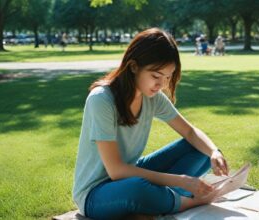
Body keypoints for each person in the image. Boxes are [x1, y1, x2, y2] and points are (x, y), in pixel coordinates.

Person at [72, 28, 230, 219]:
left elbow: (189, 132)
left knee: (201, 150)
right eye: (156, 76)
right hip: (95, 194)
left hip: (133, 174)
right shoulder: (101, 100)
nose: (161, 85)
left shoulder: (153, 97)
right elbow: (116, 171)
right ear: (133, 67)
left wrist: (214, 152)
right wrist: (182, 181)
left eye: (168, 77)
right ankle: (187, 201)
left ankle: (154, 202)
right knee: (138, 188)